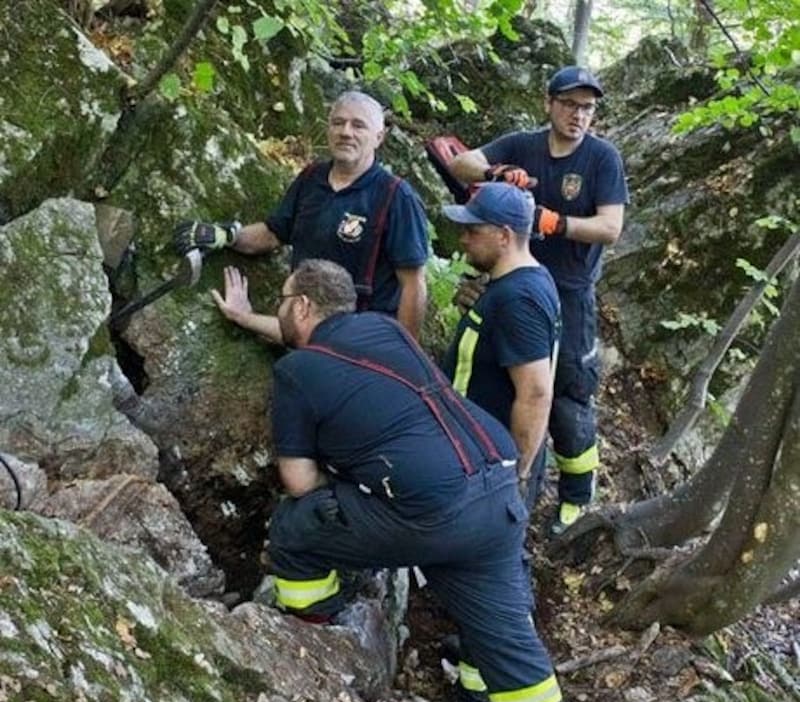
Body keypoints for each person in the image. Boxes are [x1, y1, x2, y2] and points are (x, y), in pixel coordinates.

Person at [213, 258, 571, 702]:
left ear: (304, 306)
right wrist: (247, 319)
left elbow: (299, 480)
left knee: (295, 526)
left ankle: (311, 633)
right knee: (508, 635)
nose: (280, 309)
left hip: (429, 508)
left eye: (283, 301)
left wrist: (347, 477)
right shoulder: (384, 328)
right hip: (496, 484)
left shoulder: (295, 374)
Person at [448, 65, 628, 536]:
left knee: (567, 396)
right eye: (570, 104)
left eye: (588, 107)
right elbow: (459, 162)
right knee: (498, 379)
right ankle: (497, 475)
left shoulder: (601, 159)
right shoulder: (523, 144)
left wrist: (554, 222)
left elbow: (611, 227)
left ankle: (576, 492)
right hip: (511, 281)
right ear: (549, 103)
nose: (578, 115)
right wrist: (495, 172)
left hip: (568, 293)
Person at [174, 90, 429, 338]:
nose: (345, 132)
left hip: (360, 341)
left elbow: (413, 284)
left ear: (379, 136)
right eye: (338, 123)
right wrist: (226, 235)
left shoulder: (395, 197)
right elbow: (273, 233)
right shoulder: (311, 178)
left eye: (358, 125)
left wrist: (403, 353)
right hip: (305, 331)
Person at [440, 182, 560, 510]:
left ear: (504, 236)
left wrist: (514, 476)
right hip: (472, 454)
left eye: (473, 230)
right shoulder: (515, 284)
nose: (463, 239)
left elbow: (536, 393)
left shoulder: (518, 299)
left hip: (487, 467)